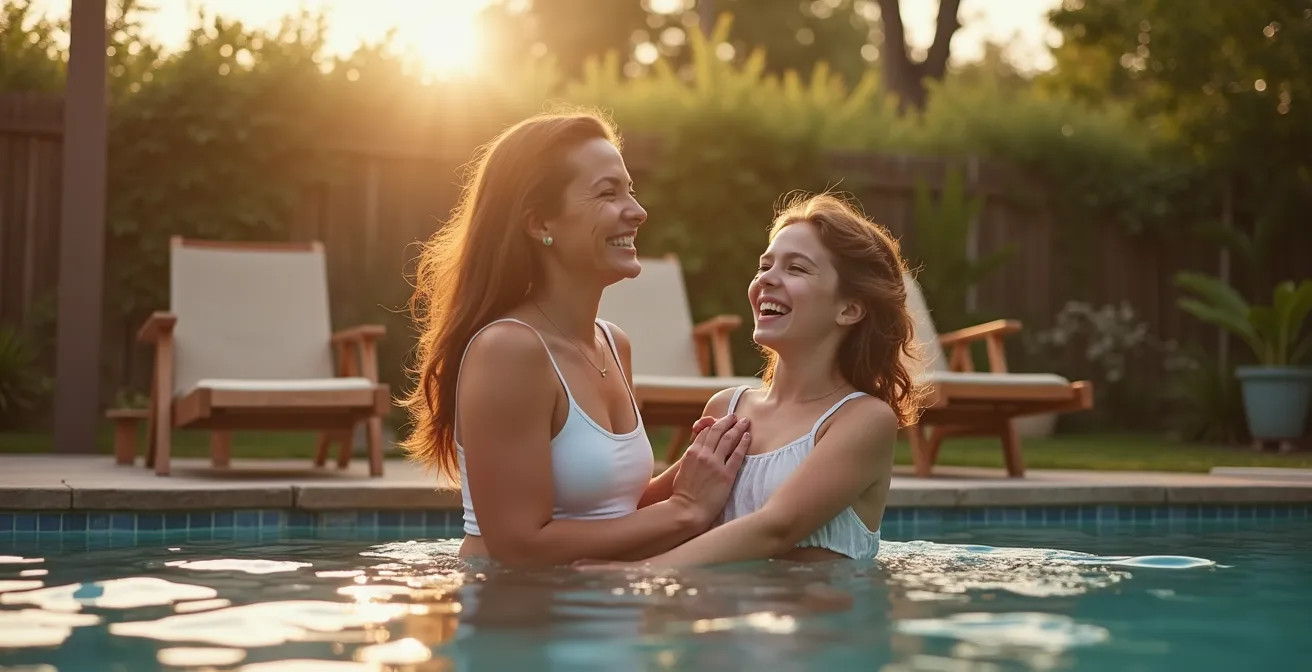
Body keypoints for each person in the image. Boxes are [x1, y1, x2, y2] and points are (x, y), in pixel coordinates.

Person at [398, 108, 751, 568]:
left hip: (598, 601)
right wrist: (684, 510)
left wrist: (697, 467)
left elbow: (611, 513)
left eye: (630, 190)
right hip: (514, 609)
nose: (638, 211)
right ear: (540, 224)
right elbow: (519, 547)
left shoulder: (613, 345)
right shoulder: (509, 350)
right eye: (608, 193)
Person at [588, 192, 923, 568]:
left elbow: (776, 528)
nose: (767, 279)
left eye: (796, 269)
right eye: (765, 266)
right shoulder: (727, 409)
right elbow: (644, 508)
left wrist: (640, 575)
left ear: (849, 308)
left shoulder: (863, 420)